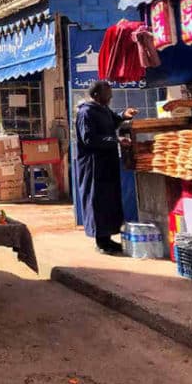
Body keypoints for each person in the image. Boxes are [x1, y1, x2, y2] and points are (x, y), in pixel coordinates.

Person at [76, 81, 137, 255]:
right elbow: (89, 139)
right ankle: (101, 242)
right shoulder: (86, 112)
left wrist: (124, 115)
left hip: (107, 163)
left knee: (109, 200)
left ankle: (108, 239)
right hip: (93, 165)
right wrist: (116, 140)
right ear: (96, 95)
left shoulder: (103, 109)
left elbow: (113, 121)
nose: (110, 96)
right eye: (107, 93)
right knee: (98, 201)